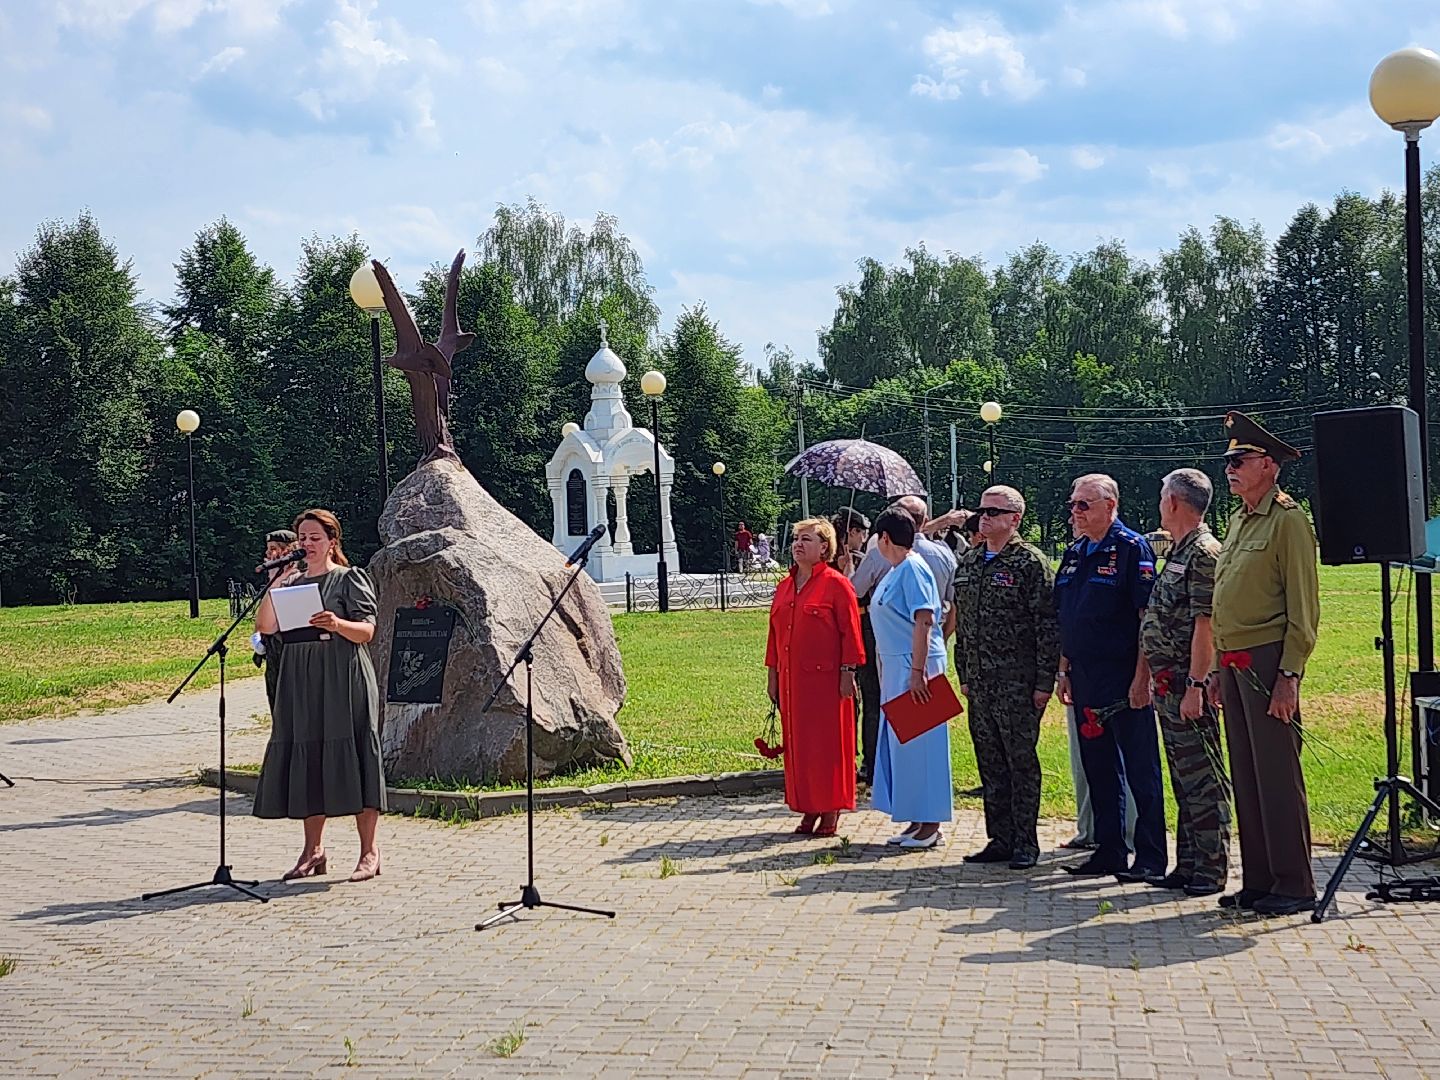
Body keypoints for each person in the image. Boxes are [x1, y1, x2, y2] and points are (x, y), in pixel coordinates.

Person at [1209, 412, 1320, 916]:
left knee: (1276, 772)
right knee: (1248, 774)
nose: (1230, 468)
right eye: (1229, 460)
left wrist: (1289, 675)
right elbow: (1224, 599)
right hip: (1232, 661)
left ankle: (1293, 883)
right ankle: (1259, 879)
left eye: (1241, 460)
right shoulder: (1239, 519)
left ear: (1270, 467)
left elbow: (1303, 609)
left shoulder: (1289, 521)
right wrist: (1213, 666)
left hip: (1268, 660)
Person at [253, 509, 387, 883]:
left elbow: (367, 632)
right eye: (303, 538)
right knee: (308, 757)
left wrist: (337, 623)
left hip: (343, 677)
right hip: (301, 678)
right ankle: (313, 851)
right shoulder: (291, 582)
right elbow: (266, 626)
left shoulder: (349, 579)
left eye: (315, 537)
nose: (307, 544)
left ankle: (369, 852)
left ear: (332, 541)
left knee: (355, 757)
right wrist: (277, 581)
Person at [1055, 473, 1167, 882]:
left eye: (1084, 505)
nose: (1076, 512)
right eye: (1073, 504)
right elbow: (1066, 616)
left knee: (1140, 768)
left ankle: (1151, 856)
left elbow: (1145, 620)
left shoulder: (1131, 548)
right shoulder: (1074, 553)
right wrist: (1064, 670)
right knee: (1097, 767)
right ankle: (1109, 850)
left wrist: (1143, 678)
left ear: (1110, 507)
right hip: (1084, 675)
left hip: (1123, 676)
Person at [953, 486, 1060, 870]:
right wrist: (963, 672)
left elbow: (1047, 626)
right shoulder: (969, 561)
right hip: (980, 684)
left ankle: (1026, 843)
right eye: (981, 510)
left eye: (994, 512)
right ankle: (999, 838)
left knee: (1020, 764)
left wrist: (1044, 681)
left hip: (1018, 684)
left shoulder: (1029, 563)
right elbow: (964, 625)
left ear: (1014, 519)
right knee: (990, 764)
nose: (984, 517)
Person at [1140, 469, 1230, 896]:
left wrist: (1197, 685)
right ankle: (1189, 863)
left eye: (1162, 496)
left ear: (1174, 502)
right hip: (1168, 685)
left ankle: (1212, 870)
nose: (1160, 504)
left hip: (1187, 686)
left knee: (1204, 780)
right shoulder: (1180, 550)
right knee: (1183, 778)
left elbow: (1206, 625)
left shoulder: (1204, 553)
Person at [765, 518, 866, 836]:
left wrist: (848, 672)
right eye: (796, 538)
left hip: (826, 682)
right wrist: (772, 676)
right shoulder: (784, 586)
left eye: (806, 539)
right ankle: (807, 807)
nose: (798, 544)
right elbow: (774, 635)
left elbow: (851, 633)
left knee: (827, 746)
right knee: (800, 747)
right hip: (792, 682)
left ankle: (831, 809)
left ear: (825, 547)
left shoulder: (837, 584)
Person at [868, 508, 952, 849]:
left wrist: (917, 673)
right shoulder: (895, 570)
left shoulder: (914, 568)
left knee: (923, 745)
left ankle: (931, 824)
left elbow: (924, 621)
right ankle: (916, 818)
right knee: (904, 747)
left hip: (917, 666)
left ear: (884, 538)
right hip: (896, 665)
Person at [253, 529, 298, 714]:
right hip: (273, 656)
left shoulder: (298, 578)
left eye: (273, 548)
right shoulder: (274, 577)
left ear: (286, 551)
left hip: (292, 657)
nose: (268, 554)